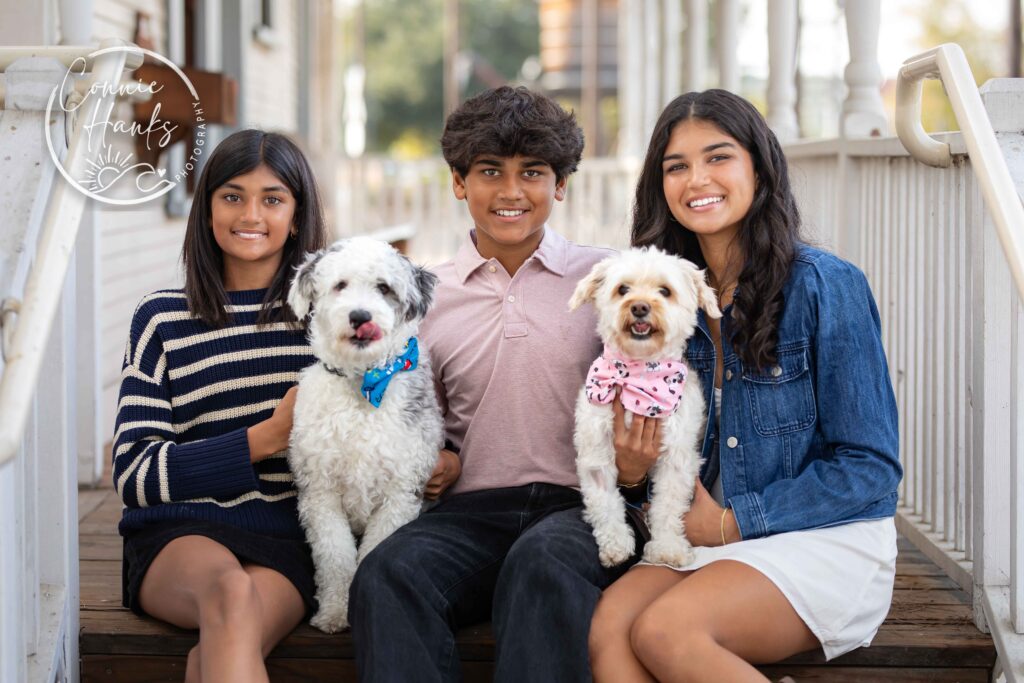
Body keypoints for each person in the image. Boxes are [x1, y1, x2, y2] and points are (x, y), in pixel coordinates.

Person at [588, 89, 902, 682]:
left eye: (718, 157)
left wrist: (735, 523)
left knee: (664, 630)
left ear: (760, 165)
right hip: (703, 540)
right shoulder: (660, 303)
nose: (696, 179)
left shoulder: (825, 286)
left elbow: (870, 467)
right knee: (608, 628)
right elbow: (640, 469)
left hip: (823, 537)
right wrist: (631, 477)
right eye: (676, 166)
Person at [349, 86, 646, 683]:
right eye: (490, 172)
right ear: (459, 182)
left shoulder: (610, 277)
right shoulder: (422, 294)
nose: (511, 192)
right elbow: (415, 413)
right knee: (386, 574)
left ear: (560, 184)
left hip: (586, 506)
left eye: (532, 173)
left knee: (540, 564)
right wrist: (440, 457)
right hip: (470, 512)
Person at [112, 129, 330, 682]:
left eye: (273, 199)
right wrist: (266, 439)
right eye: (232, 196)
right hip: (180, 535)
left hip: (286, 537)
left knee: (213, 654)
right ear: (205, 208)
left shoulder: (329, 319)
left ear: (298, 215)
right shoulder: (162, 319)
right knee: (230, 595)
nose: (250, 214)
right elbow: (135, 473)